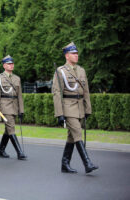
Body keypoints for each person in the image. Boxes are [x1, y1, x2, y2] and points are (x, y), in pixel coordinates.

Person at [52, 42, 98, 174]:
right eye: (73, 53)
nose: (76, 56)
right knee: (77, 133)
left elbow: (86, 91)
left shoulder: (81, 70)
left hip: (80, 108)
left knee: (71, 137)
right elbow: (56, 93)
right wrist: (59, 114)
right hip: (68, 107)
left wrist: (87, 109)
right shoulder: (60, 71)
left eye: (77, 53)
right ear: (67, 56)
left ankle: (65, 164)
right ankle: (87, 163)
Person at [0, 55, 27, 160]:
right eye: (9, 64)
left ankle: (1, 150)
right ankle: (19, 152)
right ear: (4, 65)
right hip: (4, 106)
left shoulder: (17, 78)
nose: (11, 65)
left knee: (8, 129)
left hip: (14, 106)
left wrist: (21, 110)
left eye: (12, 63)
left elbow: (19, 96)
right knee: (11, 128)